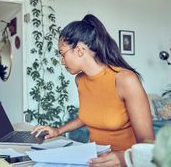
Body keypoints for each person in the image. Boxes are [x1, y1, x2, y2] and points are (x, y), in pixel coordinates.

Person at [31, 14, 155, 166]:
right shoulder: (80, 80)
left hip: (125, 162)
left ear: (79, 50)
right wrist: (58, 131)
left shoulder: (125, 79)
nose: (61, 61)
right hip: (93, 159)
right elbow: (87, 116)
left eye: (62, 54)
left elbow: (148, 145)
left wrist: (123, 158)